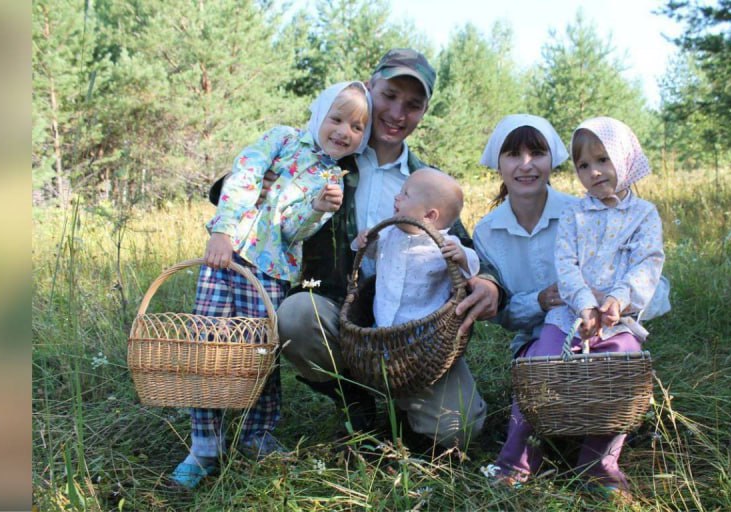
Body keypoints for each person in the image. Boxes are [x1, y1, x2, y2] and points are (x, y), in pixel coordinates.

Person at [275, 48, 503, 450]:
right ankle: (351, 396)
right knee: (295, 316)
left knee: (458, 428)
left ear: (424, 112)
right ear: (369, 87)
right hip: (339, 314)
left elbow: (463, 245)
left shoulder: (425, 181)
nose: (398, 113)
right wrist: (247, 189)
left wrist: (488, 282)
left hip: (412, 338)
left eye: (413, 105)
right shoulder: (325, 156)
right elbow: (260, 164)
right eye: (390, 95)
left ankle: (403, 401)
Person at [169, 81, 372, 489]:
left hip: (274, 272)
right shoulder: (282, 138)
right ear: (318, 114)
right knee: (209, 347)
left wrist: (317, 210)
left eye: (356, 127)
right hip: (228, 256)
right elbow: (244, 175)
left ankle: (255, 433)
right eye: (336, 119)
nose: (343, 131)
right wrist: (223, 231)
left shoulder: (331, 177)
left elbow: (291, 232)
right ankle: (204, 443)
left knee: (260, 353)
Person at [488, 116, 668, 497]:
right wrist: (585, 305)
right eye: (584, 165)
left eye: (603, 160)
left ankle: (597, 464)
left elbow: (648, 264)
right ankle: (515, 461)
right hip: (568, 314)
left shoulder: (644, 215)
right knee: (540, 367)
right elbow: (565, 265)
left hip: (618, 320)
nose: (594, 172)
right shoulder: (575, 214)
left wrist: (617, 300)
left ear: (626, 159)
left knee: (622, 370)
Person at [352, 168, 480, 328]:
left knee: (417, 352)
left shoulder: (445, 244)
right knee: (378, 347)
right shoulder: (388, 233)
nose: (396, 197)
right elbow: (371, 254)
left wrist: (462, 256)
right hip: (382, 319)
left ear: (429, 216)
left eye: (405, 194)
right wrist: (365, 242)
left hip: (426, 325)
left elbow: (472, 266)